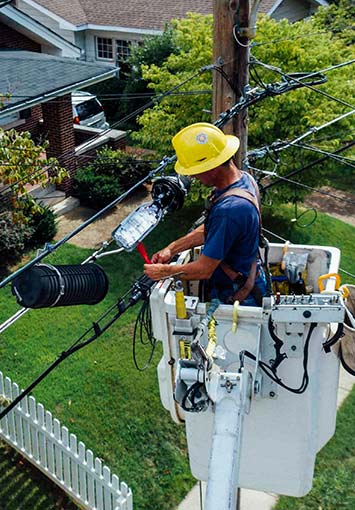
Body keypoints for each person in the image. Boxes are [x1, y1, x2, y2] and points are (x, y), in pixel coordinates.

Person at [144, 122, 267, 306]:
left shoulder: (230, 210)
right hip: (246, 279)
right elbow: (212, 230)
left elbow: (203, 270)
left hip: (237, 296)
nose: (193, 177)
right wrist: (172, 248)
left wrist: (163, 272)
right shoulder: (243, 180)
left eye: (195, 171)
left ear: (212, 167)